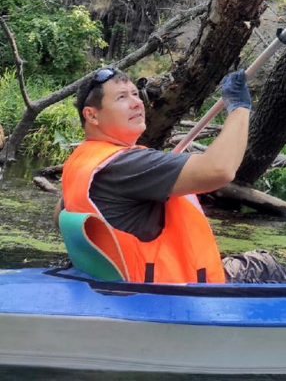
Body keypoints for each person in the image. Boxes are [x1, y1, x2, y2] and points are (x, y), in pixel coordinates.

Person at [57, 66, 267, 284]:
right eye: (121, 97)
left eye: (135, 94)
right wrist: (239, 107)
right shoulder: (128, 165)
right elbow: (219, 169)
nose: (137, 103)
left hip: (121, 281)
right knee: (264, 264)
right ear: (92, 115)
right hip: (163, 293)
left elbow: (60, 216)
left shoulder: (82, 162)